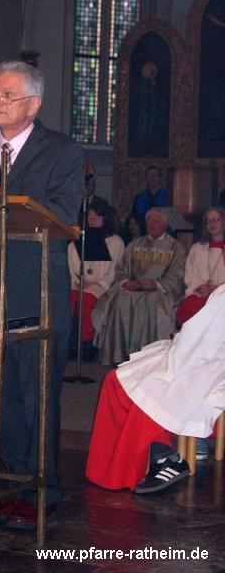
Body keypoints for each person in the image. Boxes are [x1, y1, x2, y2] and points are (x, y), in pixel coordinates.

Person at [0, 60, 83, 528]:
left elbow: (64, 215)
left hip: (38, 290)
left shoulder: (63, 151)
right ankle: (10, 482)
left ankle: (43, 489)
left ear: (33, 105)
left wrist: (5, 203)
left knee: (37, 393)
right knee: (2, 392)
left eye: (7, 95)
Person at [86, 284, 225, 493]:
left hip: (211, 364)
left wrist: (176, 354)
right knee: (118, 380)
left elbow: (200, 344)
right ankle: (151, 453)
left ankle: (156, 459)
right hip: (206, 357)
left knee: (148, 388)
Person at [93, 207, 186, 365]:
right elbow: (120, 269)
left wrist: (155, 283)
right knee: (118, 300)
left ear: (165, 224)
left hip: (159, 292)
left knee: (150, 302)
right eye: (149, 221)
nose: (152, 224)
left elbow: (178, 275)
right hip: (132, 288)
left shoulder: (176, 248)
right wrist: (125, 282)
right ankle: (119, 355)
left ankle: (149, 358)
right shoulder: (135, 245)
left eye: (157, 221)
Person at [68, 204, 125, 360]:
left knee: (86, 299)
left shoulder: (115, 242)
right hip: (79, 283)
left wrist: (96, 283)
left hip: (101, 286)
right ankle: (70, 343)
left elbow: (115, 269)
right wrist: (78, 280)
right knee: (70, 298)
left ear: (104, 219)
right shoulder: (79, 238)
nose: (93, 219)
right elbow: (71, 264)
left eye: (97, 216)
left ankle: (86, 344)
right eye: (90, 216)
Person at [176, 207, 225, 326]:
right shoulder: (197, 248)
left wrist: (216, 289)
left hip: (222, 297)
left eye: (216, 220)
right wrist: (200, 287)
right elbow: (190, 276)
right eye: (209, 221)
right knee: (188, 309)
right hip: (199, 293)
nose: (212, 224)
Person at [131, 165, 168, 234]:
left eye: (155, 175)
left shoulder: (169, 197)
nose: (152, 178)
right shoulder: (139, 198)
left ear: (161, 177)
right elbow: (135, 217)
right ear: (146, 178)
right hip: (144, 233)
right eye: (149, 176)